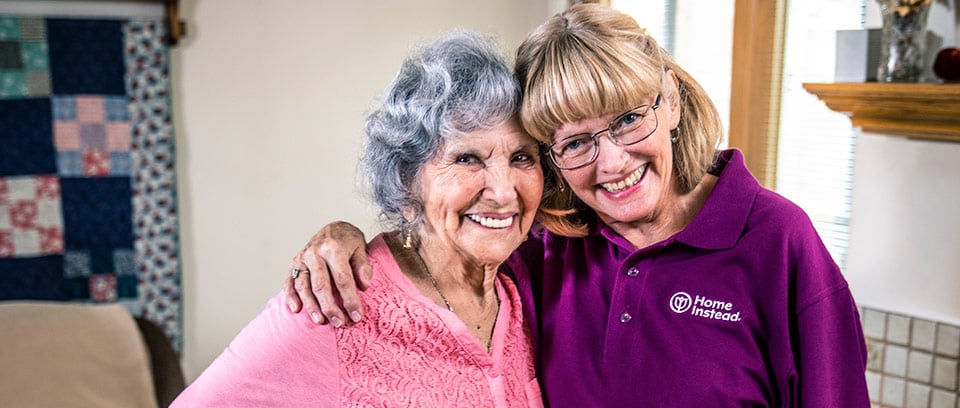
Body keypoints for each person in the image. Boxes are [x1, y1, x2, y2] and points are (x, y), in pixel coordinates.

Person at [283, 4, 870, 407]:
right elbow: (440, 246)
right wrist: (344, 234)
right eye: (576, 143)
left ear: (668, 99)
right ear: (550, 159)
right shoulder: (545, 244)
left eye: (629, 120)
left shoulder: (777, 240)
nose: (612, 163)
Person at [171, 31, 545, 407]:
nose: (504, 191)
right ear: (405, 179)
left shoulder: (525, 288)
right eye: (467, 159)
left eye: (522, 158)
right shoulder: (336, 297)